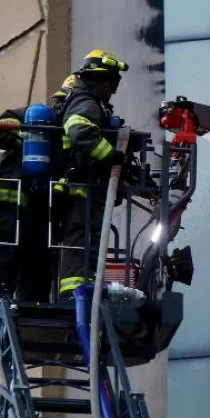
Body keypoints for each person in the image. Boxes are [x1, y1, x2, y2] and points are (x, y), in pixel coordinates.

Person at [0, 75, 77, 300]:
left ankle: (12, 296)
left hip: (37, 201)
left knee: (29, 250)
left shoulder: (70, 127)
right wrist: (19, 137)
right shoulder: (35, 115)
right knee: (14, 246)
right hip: (17, 196)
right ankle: (3, 294)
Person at [55, 51, 129, 298]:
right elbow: (78, 131)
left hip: (86, 184)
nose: (112, 90)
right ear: (101, 80)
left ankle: (83, 286)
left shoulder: (87, 101)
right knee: (81, 237)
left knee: (88, 239)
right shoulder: (87, 101)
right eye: (112, 83)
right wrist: (111, 154)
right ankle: (76, 292)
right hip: (82, 184)